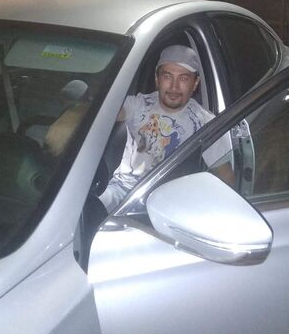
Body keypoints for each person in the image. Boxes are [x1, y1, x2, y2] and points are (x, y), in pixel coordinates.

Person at [99, 44, 233, 212]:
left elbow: (226, 178)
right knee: (86, 209)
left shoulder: (206, 124)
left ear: (195, 83)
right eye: (167, 77)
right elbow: (103, 112)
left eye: (183, 79)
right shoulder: (140, 104)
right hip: (122, 191)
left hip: (169, 203)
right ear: (157, 80)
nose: (174, 87)